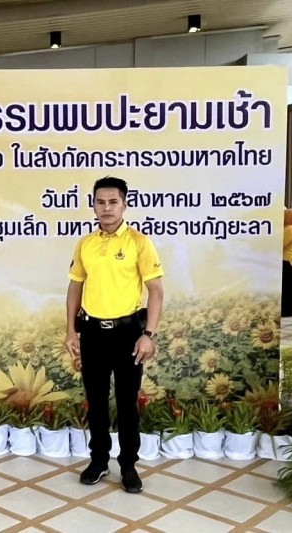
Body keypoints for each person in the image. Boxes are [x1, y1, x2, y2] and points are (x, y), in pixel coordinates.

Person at [64, 176, 164, 494]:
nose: (106, 208)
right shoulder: (86, 244)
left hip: (128, 335)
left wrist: (148, 334)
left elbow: (156, 290)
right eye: (100, 202)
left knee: (126, 403)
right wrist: (70, 330)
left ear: (124, 204)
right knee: (96, 402)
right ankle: (98, 460)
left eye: (113, 202)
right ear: (93, 206)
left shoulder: (138, 242)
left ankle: (129, 465)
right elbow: (75, 286)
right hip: (93, 333)